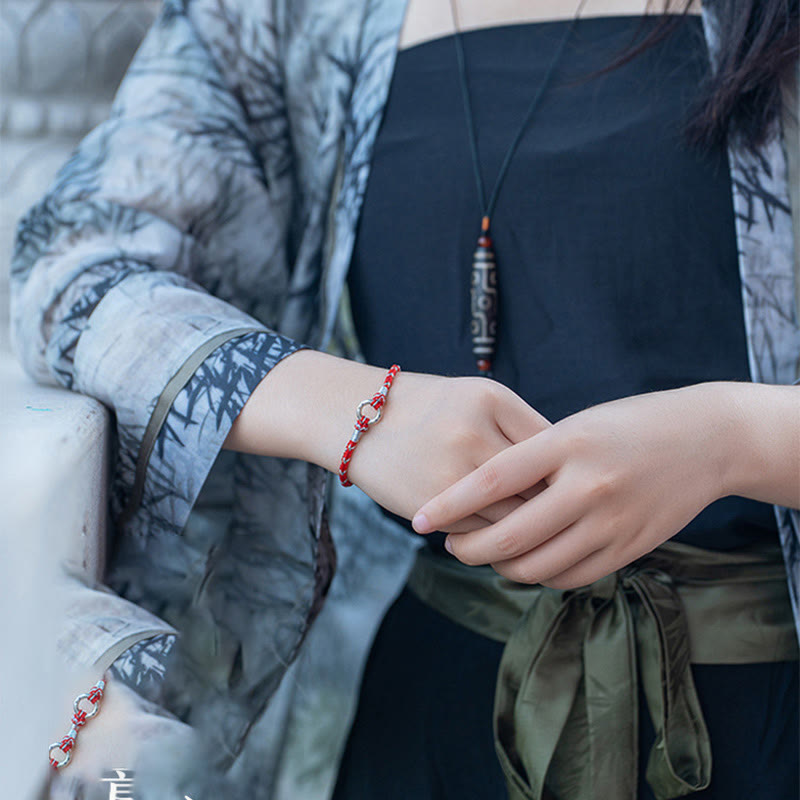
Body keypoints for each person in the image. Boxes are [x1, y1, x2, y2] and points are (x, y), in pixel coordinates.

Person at [9, 0, 800, 798]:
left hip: (768, 716)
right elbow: (73, 265)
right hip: (442, 715)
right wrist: (360, 414)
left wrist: (733, 439)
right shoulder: (288, 15)